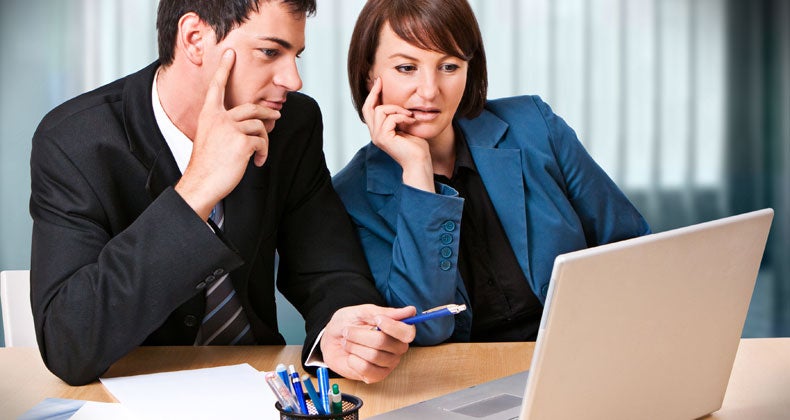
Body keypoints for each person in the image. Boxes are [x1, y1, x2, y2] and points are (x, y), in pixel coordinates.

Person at [29, 0, 416, 386]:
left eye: (295, 55)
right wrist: (195, 191)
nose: (293, 80)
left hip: (263, 389)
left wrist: (342, 326)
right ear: (195, 38)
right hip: (128, 393)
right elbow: (67, 345)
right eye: (269, 52)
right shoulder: (74, 142)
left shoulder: (291, 124)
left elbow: (328, 270)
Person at [333, 0, 651, 345]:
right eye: (407, 68)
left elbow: (630, 247)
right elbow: (425, 327)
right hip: (460, 379)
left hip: (579, 349)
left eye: (449, 66)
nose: (429, 90)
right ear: (369, 73)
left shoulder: (534, 126)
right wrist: (417, 170)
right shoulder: (352, 196)